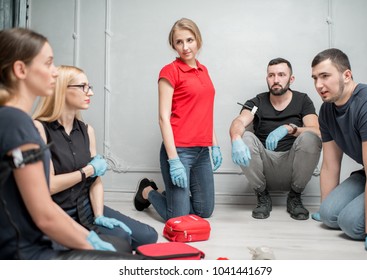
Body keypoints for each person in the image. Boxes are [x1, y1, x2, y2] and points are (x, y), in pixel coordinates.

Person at [0, 28, 146, 260]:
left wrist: (94, 223)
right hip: (27, 253)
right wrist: (91, 243)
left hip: (37, 240)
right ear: (20, 69)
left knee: (136, 243)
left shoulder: (14, 120)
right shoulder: (18, 123)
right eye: (48, 63)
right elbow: (45, 214)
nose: (55, 72)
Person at [32, 65, 158, 251]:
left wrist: (99, 215)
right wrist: (87, 170)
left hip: (86, 208)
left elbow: (95, 180)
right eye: (83, 87)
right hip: (59, 212)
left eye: (90, 87)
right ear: (62, 89)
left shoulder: (87, 130)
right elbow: (48, 185)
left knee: (149, 236)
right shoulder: (40, 129)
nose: (89, 93)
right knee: (122, 242)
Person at [133, 18, 222, 221]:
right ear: (173, 45)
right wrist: (173, 160)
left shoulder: (203, 70)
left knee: (204, 211)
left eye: (189, 40)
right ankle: (147, 191)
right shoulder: (170, 71)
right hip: (179, 150)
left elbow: (205, 112)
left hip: (202, 151)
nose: (185, 47)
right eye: (179, 42)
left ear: (198, 40)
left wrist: (214, 145)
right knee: (178, 217)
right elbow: (163, 118)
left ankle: (174, 198)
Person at [311, 48, 367, 256]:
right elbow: (330, 165)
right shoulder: (327, 110)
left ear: (347, 75)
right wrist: (326, 208)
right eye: (315, 78)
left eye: (325, 76)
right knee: (329, 216)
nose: (319, 85)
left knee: (351, 224)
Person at [229, 58, 322, 220]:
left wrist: (289, 128)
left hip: (292, 167)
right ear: (267, 78)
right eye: (271, 75)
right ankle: (262, 196)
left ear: (291, 79)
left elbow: (317, 131)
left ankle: (295, 197)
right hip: (265, 168)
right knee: (245, 136)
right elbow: (239, 121)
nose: (276, 80)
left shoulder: (302, 100)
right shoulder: (256, 102)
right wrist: (236, 138)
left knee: (310, 138)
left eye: (281, 75)